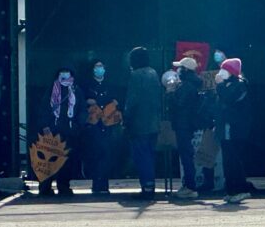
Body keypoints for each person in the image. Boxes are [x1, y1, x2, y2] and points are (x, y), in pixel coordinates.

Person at [38, 68, 87, 196]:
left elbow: (82, 109)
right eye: (62, 73)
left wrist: (77, 126)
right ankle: (45, 188)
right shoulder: (51, 89)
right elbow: (44, 108)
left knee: (66, 161)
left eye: (67, 72)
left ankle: (63, 186)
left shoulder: (76, 90)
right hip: (52, 131)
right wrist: (45, 126)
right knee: (48, 160)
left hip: (69, 131)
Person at [124, 47, 162, 200]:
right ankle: (150, 185)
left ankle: (146, 187)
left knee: (141, 155)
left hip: (139, 123)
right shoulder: (153, 73)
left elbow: (131, 101)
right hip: (153, 122)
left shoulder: (135, 75)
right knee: (149, 155)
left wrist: (126, 119)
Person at [215, 58, 253, 204]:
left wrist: (219, 86)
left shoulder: (240, 85)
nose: (221, 72)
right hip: (225, 129)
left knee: (234, 159)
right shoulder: (226, 85)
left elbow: (229, 99)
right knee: (227, 160)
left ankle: (240, 189)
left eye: (224, 69)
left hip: (235, 129)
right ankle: (231, 190)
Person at [81, 59, 122, 195]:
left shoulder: (110, 84)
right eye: (97, 67)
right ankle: (96, 183)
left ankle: (104, 184)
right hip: (93, 125)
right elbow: (85, 100)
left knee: (106, 154)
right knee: (95, 153)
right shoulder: (87, 84)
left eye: (101, 66)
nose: (99, 69)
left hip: (108, 124)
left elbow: (115, 100)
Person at [169, 57, 202, 199]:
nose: (178, 71)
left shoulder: (187, 86)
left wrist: (170, 92)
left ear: (186, 70)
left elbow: (179, 104)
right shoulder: (191, 84)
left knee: (186, 156)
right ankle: (188, 184)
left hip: (183, 124)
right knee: (186, 155)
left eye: (180, 68)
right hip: (187, 124)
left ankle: (190, 186)